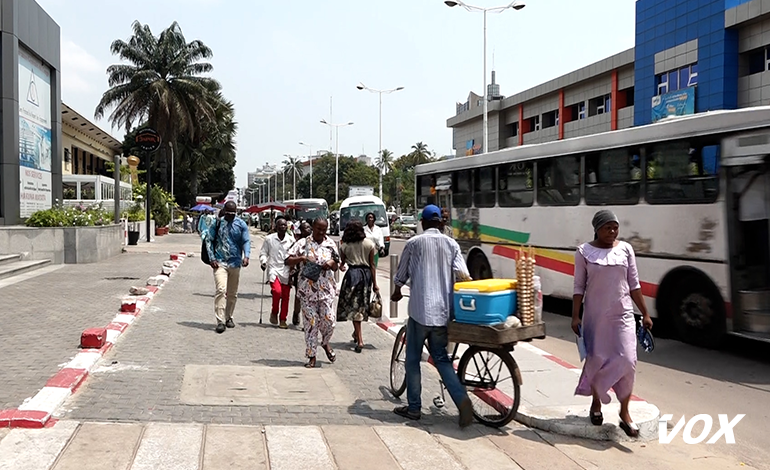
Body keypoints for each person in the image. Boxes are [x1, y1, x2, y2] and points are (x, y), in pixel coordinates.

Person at [571, 209, 653, 438]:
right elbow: (579, 287)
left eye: (615, 227)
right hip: (595, 317)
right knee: (597, 360)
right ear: (596, 228)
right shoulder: (584, 252)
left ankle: (624, 413)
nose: (613, 231)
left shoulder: (626, 249)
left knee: (628, 360)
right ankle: (596, 404)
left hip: (623, 315)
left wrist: (645, 313)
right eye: (608, 227)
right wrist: (575, 315)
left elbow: (634, 284)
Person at [391, 204, 474, 428]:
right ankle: (462, 400)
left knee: (412, 360)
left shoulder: (414, 243)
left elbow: (401, 275)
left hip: (419, 311)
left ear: (423, 222)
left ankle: (414, 407)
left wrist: (397, 290)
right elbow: (463, 276)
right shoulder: (451, 244)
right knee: (442, 360)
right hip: (443, 313)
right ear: (439, 222)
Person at [286, 218, 340, 368]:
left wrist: (331, 264)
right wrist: (302, 258)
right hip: (306, 290)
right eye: (318, 229)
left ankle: (325, 343)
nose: (321, 232)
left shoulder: (330, 244)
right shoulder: (303, 243)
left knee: (329, 321)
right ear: (313, 228)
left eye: (324, 230)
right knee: (311, 323)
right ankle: (311, 355)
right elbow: (287, 260)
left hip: (326, 290)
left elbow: (337, 264)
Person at [206, 201, 251, 334]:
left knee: (232, 293)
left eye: (233, 213)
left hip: (235, 263)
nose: (231, 215)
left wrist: (246, 256)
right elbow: (208, 240)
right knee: (221, 289)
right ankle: (220, 321)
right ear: (224, 211)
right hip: (220, 262)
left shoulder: (241, 224)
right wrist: (212, 258)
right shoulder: (217, 223)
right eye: (228, 212)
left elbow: (246, 241)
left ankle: (229, 317)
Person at [337, 221, 378, 353]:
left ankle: (359, 340)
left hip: (352, 275)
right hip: (366, 276)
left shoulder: (345, 246)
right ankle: (357, 334)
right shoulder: (369, 244)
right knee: (361, 306)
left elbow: (342, 263)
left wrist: (342, 266)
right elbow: (372, 265)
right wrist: (375, 284)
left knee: (353, 307)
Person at [260, 216, 296, 329]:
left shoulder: (291, 240)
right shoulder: (269, 239)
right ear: (276, 227)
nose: (283, 227)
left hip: (286, 270)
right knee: (276, 291)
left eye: (285, 225)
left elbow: (294, 255)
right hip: (273, 269)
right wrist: (263, 262)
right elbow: (263, 253)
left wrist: (293, 269)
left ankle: (283, 319)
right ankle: (274, 311)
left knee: (286, 296)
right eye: (280, 225)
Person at [290, 221, 313, 326]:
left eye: (308, 228)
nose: (307, 230)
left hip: (313, 274)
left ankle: (307, 321)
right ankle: (296, 313)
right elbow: (291, 258)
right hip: (300, 273)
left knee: (310, 298)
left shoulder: (316, 241)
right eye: (304, 228)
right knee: (299, 296)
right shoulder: (299, 243)